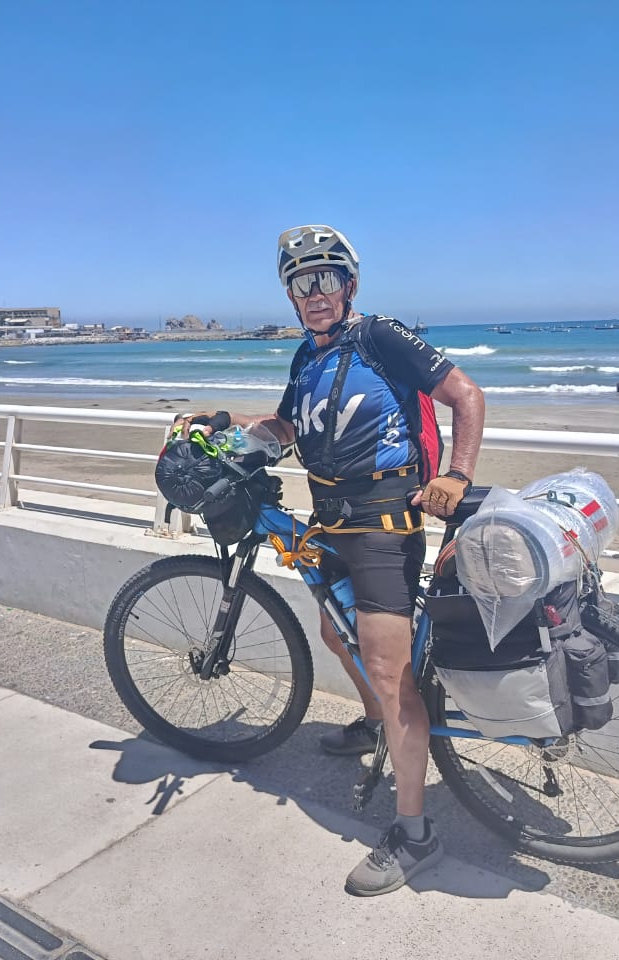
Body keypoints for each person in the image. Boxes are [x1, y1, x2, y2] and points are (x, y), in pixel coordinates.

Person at [175, 224, 485, 896]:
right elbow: (287, 428)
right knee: (330, 629)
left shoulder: (381, 337)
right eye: (300, 282)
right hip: (331, 519)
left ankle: (414, 833)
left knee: (387, 667)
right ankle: (377, 725)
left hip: (383, 525)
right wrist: (226, 437)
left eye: (325, 278)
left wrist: (457, 477)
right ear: (290, 294)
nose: (313, 293)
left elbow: (466, 394)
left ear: (348, 285)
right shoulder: (307, 357)